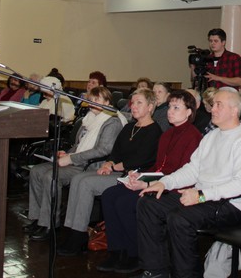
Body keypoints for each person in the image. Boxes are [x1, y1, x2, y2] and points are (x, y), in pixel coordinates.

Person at [135, 88, 241, 278]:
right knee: (149, 203)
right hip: (202, 196)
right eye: (213, 104)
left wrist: (201, 195)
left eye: (219, 105)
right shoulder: (211, 137)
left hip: (228, 204)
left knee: (180, 218)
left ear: (234, 111)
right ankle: (156, 270)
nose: (212, 109)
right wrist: (164, 183)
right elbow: (192, 170)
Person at [96, 91, 202, 273]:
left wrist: (149, 182)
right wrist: (139, 175)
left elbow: (183, 172)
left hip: (173, 186)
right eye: (169, 106)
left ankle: (134, 253)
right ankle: (116, 251)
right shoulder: (168, 135)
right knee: (109, 195)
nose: (170, 111)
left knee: (124, 202)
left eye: (176, 107)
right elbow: (158, 165)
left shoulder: (193, 136)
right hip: (157, 179)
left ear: (189, 112)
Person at [47, 88, 162, 249]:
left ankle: (78, 236)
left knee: (86, 183)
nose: (133, 106)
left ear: (150, 107)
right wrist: (108, 163)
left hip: (131, 176)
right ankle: (72, 230)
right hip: (116, 170)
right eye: (133, 103)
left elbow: (140, 159)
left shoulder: (154, 131)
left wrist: (114, 166)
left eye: (139, 103)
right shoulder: (129, 127)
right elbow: (115, 152)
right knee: (78, 178)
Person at [24, 86, 122, 243]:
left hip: (91, 165)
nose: (92, 103)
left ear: (108, 102)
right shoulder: (89, 119)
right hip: (77, 160)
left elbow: (103, 150)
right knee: (36, 171)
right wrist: (67, 153)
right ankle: (38, 219)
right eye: (91, 99)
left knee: (51, 176)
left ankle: (50, 224)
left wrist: (71, 159)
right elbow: (79, 144)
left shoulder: (112, 122)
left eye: (97, 100)